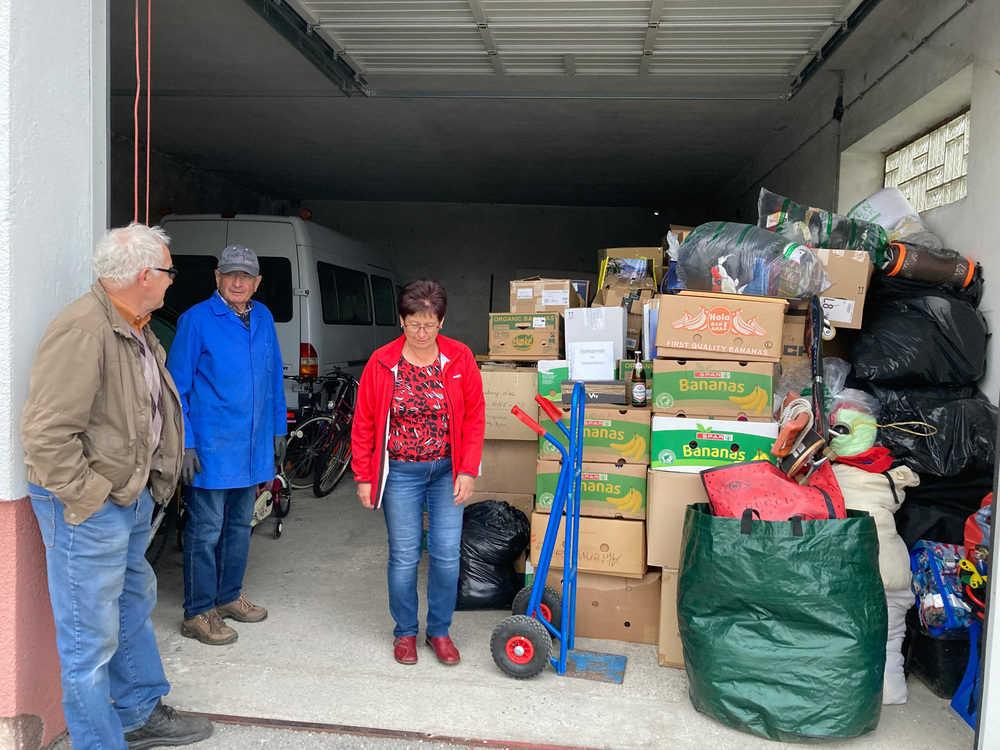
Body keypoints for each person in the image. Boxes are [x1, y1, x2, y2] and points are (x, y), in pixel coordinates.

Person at [21, 223, 213, 750]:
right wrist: (92, 498)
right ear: (145, 275)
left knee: (131, 604)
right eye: (169, 270)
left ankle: (139, 714)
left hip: (127, 495)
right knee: (89, 640)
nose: (173, 279)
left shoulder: (134, 325)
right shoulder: (85, 330)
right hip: (91, 504)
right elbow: (46, 435)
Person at [352, 279, 485, 666]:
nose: (422, 333)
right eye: (414, 324)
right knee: (404, 556)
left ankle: (439, 631)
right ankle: (405, 632)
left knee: (446, 556)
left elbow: (475, 416)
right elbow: (364, 422)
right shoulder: (382, 362)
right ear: (401, 320)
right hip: (400, 474)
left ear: (442, 321)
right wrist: (364, 476)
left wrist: (468, 470)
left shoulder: (459, 358)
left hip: (447, 472)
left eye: (430, 324)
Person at [166, 244, 287, 646]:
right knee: (205, 531)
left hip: (251, 447)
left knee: (240, 525)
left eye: (246, 276)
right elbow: (175, 389)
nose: (238, 282)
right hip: (211, 448)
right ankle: (198, 611)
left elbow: (272, 379)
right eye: (230, 274)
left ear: (257, 282)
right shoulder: (196, 320)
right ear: (217, 277)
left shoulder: (263, 317)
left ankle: (228, 595)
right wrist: (186, 442)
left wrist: (278, 429)